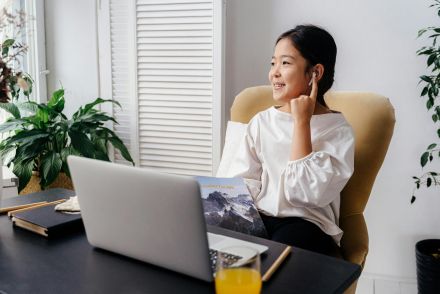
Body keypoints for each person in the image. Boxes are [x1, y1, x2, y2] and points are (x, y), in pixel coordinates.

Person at [226, 25, 355, 256]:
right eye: (273, 62)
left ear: (315, 73)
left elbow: (305, 195)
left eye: (285, 63)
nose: (274, 72)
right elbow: (244, 180)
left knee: (280, 253)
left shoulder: (338, 131)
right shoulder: (262, 121)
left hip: (308, 226)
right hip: (262, 219)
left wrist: (302, 122)